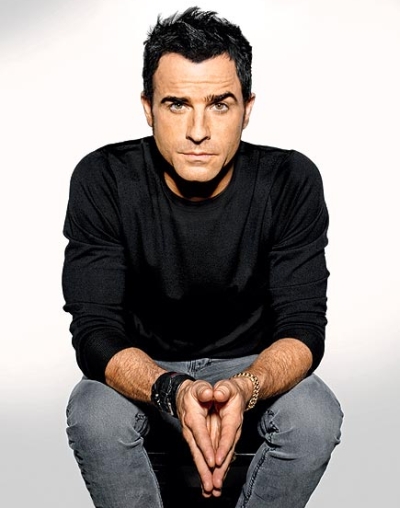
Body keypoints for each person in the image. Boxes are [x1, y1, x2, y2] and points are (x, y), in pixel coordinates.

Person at [62, 6, 343, 507]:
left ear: (247, 108)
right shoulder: (104, 179)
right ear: (148, 108)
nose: (198, 130)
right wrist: (172, 389)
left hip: (253, 364)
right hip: (144, 366)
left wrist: (246, 387)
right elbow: (94, 331)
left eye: (219, 104)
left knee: (314, 415)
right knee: (94, 413)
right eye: (177, 104)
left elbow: (304, 329)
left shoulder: (290, 180)